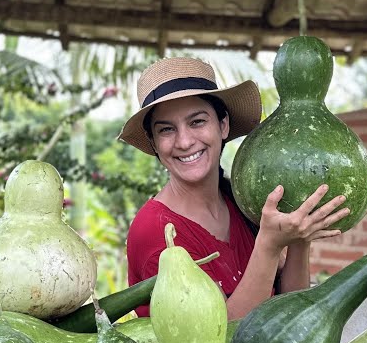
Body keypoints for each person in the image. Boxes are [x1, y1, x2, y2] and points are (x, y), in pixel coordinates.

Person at [117, 57, 350, 320]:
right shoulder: (156, 233)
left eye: (197, 122)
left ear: (223, 125)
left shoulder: (242, 203)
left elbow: (291, 316)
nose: (184, 141)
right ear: (154, 144)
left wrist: (298, 239)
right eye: (167, 130)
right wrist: (268, 246)